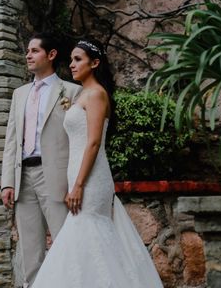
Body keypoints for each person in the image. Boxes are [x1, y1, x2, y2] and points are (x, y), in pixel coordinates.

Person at [32, 40, 164, 288]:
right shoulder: (82, 94)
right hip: (78, 173)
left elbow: (93, 143)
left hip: (91, 178)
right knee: (83, 240)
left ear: (94, 63)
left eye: (78, 59)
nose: (72, 64)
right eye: (71, 59)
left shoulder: (97, 94)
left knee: (88, 233)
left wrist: (79, 184)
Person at [1, 33, 82, 287]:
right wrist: (7, 182)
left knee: (64, 241)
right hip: (23, 177)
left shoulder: (71, 91)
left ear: (51, 55)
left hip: (56, 177)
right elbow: (11, 140)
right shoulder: (19, 94)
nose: (28, 55)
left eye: (34, 50)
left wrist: (75, 182)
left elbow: (78, 139)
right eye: (28, 51)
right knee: (29, 248)